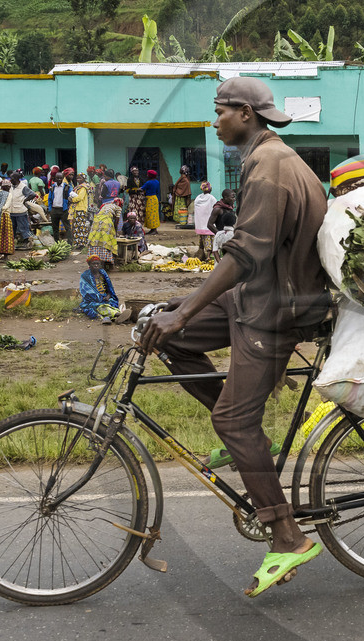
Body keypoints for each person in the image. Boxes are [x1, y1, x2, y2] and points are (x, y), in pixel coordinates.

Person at [141, 76, 332, 598]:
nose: (215, 119)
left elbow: (247, 253)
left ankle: (288, 537)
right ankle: (243, 434)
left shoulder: (270, 168)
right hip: (258, 297)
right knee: (172, 339)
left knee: (231, 418)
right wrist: (177, 312)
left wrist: (183, 312)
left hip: (278, 310)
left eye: (220, 110)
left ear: (246, 113)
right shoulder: (263, 157)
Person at [77, 253, 127, 322]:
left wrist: (108, 296)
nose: (96, 265)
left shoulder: (103, 273)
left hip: (105, 298)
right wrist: (99, 298)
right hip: (92, 301)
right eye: (93, 264)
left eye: (97, 264)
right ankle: (117, 314)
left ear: (100, 264)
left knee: (111, 303)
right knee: (99, 307)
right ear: (89, 265)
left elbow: (109, 289)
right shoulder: (85, 276)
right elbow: (86, 293)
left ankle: (115, 315)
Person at [192, 180, 218, 259]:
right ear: (210, 189)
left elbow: (196, 209)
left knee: (203, 239)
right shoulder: (212, 198)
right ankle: (209, 256)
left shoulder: (198, 198)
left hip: (201, 223)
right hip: (210, 223)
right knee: (211, 239)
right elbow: (216, 208)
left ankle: (203, 254)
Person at [46, 171, 72, 242]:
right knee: (55, 228)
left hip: (63, 210)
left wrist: (67, 206)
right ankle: (56, 242)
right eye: (58, 178)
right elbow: (50, 199)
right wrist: (50, 209)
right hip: (54, 210)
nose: (59, 180)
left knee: (67, 227)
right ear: (55, 178)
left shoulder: (67, 187)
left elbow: (71, 196)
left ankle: (70, 242)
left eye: (61, 178)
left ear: (63, 178)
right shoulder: (52, 187)